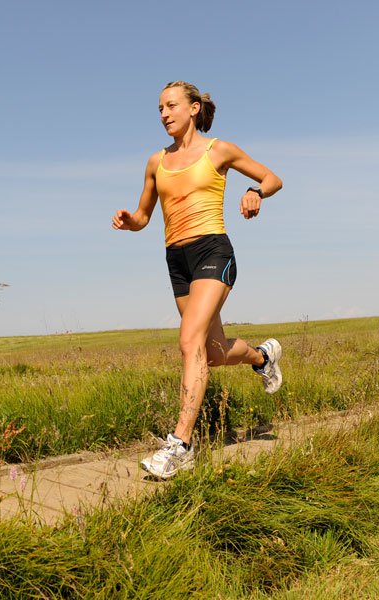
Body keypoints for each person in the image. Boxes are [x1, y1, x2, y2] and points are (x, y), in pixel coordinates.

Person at [112, 80, 284, 480]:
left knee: (189, 343)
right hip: (177, 260)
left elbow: (273, 178)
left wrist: (255, 191)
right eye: (159, 109)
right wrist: (129, 222)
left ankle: (181, 445)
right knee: (212, 352)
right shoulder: (156, 162)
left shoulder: (217, 150)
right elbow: (143, 216)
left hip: (213, 252)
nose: (164, 114)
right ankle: (262, 357)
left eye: (170, 106)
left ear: (192, 109)